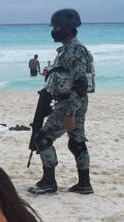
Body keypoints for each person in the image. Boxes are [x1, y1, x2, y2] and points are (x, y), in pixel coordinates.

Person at [28, 8, 94, 195]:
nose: (54, 31)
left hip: (70, 103)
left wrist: (70, 113)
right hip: (74, 101)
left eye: (57, 27)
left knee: (43, 138)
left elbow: (81, 83)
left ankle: (49, 182)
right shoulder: (68, 50)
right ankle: (84, 184)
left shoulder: (73, 51)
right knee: (76, 142)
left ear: (67, 28)